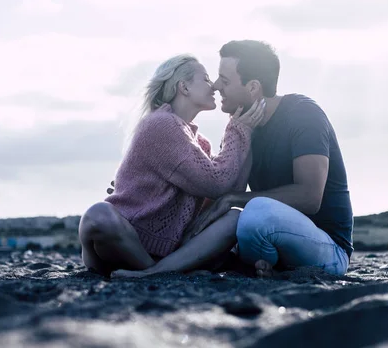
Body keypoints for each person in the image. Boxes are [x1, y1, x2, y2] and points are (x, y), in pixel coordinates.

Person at [78, 54, 266, 277]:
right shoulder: (161, 124)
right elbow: (216, 184)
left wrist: (248, 136)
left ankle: (156, 270)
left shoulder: (199, 141)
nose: (214, 86)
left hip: (170, 248)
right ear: (184, 87)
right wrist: (236, 131)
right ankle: (154, 272)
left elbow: (229, 189)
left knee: (235, 217)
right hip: (127, 239)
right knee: (98, 213)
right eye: (205, 79)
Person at [191, 40, 354, 278]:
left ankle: (258, 266)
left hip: (328, 249)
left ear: (253, 87)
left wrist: (232, 200)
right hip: (270, 238)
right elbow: (225, 188)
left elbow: (310, 197)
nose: (215, 86)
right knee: (227, 223)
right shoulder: (242, 126)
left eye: (224, 80)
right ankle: (268, 270)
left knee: (255, 213)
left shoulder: (303, 114)